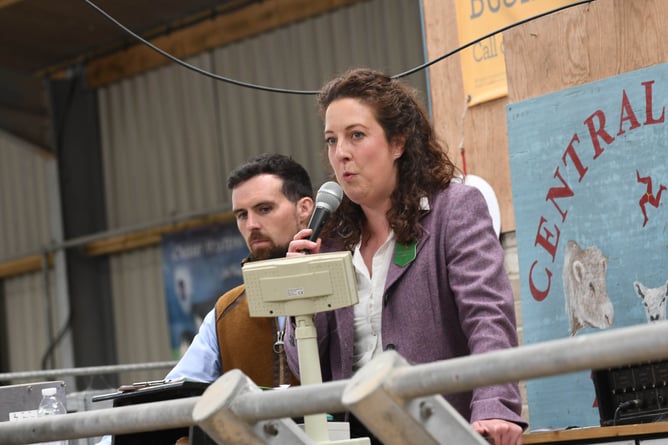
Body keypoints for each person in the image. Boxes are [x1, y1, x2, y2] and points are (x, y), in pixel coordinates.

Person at [285, 68, 527, 445]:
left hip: (439, 429)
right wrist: (300, 296)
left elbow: (488, 316)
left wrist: (495, 405)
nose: (341, 154)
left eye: (357, 135)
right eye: (331, 140)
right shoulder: (329, 240)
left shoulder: (454, 210)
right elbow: (304, 367)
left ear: (398, 143)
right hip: (354, 436)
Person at [97, 153, 314, 445]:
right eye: (242, 214)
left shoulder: (344, 288)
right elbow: (172, 397)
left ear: (304, 209)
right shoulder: (227, 311)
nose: (251, 225)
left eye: (264, 209)